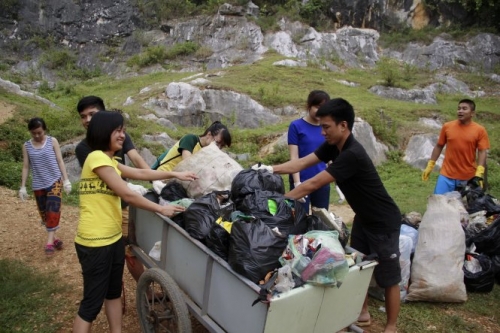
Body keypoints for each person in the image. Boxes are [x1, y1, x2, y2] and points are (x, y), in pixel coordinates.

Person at [253, 98, 401, 333]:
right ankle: (363, 314)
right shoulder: (333, 146)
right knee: (363, 265)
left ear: (343, 125)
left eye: (326, 127)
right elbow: (301, 163)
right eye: (321, 126)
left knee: (389, 276)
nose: (322, 132)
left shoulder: (352, 154)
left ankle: (391, 326)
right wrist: (269, 169)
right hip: (363, 216)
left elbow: (312, 184)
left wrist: (276, 204)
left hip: (383, 221)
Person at [73, 110, 198, 332]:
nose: (122, 135)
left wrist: (175, 175)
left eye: (123, 130)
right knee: (91, 304)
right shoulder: (96, 158)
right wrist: (161, 208)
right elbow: (128, 194)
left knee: (112, 292)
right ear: (104, 132)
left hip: (111, 238)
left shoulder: (109, 160)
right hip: (94, 242)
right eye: (117, 130)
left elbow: (141, 174)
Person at [75, 96, 150, 284]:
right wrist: (129, 187)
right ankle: (145, 292)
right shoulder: (84, 149)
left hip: (127, 200)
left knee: (137, 246)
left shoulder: (119, 134)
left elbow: (136, 160)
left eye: (92, 114)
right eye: (83, 117)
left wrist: (153, 178)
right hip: (111, 206)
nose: (88, 120)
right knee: (128, 250)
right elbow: (109, 178)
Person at [19, 117, 72, 256]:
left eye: (39, 133)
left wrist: (66, 180)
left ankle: (49, 242)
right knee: (44, 214)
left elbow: (60, 161)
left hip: (54, 181)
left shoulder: (52, 141)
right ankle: (54, 238)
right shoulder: (27, 146)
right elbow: (26, 166)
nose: (37, 136)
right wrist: (22, 186)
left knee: (53, 210)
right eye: (33, 133)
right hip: (38, 184)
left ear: (44, 130)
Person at [422, 98, 490, 194]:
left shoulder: (480, 130)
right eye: (459, 108)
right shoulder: (447, 126)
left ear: (472, 113)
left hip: (468, 177)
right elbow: (439, 145)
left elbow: (482, 151)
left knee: (465, 207)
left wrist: (479, 172)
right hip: (446, 175)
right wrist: (431, 164)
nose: (460, 111)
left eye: (464, 108)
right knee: (439, 202)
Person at [152, 121, 232, 193]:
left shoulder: (208, 153)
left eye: (222, 146)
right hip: (162, 178)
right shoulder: (190, 139)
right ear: (209, 134)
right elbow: (188, 164)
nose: (218, 147)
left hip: (177, 184)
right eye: (217, 143)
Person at [288, 90, 331, 212]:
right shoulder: (296, 126)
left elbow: (330, 155)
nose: (320, 111)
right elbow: (294, 157)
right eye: (317, 107)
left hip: (322, 181)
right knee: (300, 220)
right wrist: (297, 183)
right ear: (309, 106)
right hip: (302, 180)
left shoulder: (327, 127)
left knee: (321, 220)